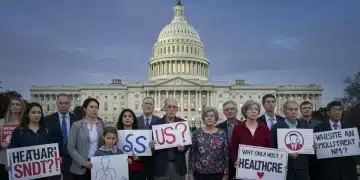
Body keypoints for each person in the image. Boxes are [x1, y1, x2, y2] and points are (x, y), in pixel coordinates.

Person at [9, 102, 53, 180]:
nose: (36, 115)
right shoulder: (18, 131)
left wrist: (55, 158)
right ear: (27, 114)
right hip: (25, 175)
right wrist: (11, 164)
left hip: (44, 175)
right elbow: (13, 151)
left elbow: (50, 151)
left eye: (39, 112)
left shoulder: (47, 131)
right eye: (33, 112)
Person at [314, 101, 357, 180]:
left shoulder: (350, 127)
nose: (337, 112)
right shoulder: (318, 129)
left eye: (339, 110)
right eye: (334, 110)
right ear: (328, 113)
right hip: (328, 173)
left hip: (348, 172)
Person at [150, 98, 190, 180]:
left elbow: (188, 144)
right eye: (169, 106)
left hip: (178, 166)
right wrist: (152, 146)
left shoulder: (182, 123)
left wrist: (184, 148)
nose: (172, 109)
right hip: (160, 167)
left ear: (177, 109)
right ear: (164, 108)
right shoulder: (155, 124)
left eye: (174, 107)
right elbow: (150, 145)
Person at [231, 100, 272, 180]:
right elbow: (233, 148)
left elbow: (270, 147)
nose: (254, 111)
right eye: (250, 109)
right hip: (243, 169)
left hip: (261, 169)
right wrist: (236, 160)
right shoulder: (238, 128)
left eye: (256, 109)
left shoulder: (265, 128)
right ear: (245, 112)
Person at [68, 98, 105, 180]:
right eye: (91, 107)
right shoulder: (76, 125)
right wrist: (83, 162)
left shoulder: (101, 124)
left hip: (98, 165)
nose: (94, 109)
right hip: (81, 167)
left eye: (96, 107)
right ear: (85, 109)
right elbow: (71, 148)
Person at [271, 100, 309, 180]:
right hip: (284, 169)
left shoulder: (305, 126)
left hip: (302, 169)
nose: (294, 112)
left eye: (295, 109)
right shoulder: (275, 127)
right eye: (290, 109)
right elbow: (273, 149)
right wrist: (286, 154)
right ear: (284, 111)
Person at [188, 107, 228, 180]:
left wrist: (226, 174)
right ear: (203, 119)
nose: (209, 118)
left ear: (216, 118)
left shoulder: (222, 133)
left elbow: (226, 154)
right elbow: (192, 155)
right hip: (200, 173)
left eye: (212, 116)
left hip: (218, 173)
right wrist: (190, 173)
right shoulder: (196, 133)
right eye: (206, 116)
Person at [45, 94, 78, 180]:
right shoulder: (48, 119)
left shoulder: (77, 119)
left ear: (69, 104)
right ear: (57, 104)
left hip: (71, 158)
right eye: (61, 103)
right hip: (54, 158)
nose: (63, 105)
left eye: (66, 103)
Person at [116, 109, 145, 180]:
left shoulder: (141, 134)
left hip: (138, 170)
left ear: (133, 119)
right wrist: (123, 158)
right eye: (124, 116)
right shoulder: (116, 135)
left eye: (130, 116)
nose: (127, 118)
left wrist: (139, 158)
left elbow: (146, 154)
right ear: (121, 119)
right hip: (121, 169)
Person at [0, 98, 25, 180]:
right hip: (3, 160)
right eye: (12, 104)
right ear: (10, 107)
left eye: (17, 104)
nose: (15, 106)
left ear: (21, 107)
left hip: (20, 161)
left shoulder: (25, 124)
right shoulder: (2, 122)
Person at [216, 100, 241, 180]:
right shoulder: (218, 128)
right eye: (227, 109)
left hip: (241, 161)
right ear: (223, 112)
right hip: (225, 163)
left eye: (232, 109)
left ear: (236, 110)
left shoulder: (244, 125)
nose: (229, 111)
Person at [137, 97, 160, 180]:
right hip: (139, 159)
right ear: (142, 106)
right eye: (146, 103)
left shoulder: (160, 121)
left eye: (150, 104)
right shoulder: (135, 121)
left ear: (154, 107)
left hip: (154, 160)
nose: (148, 106)